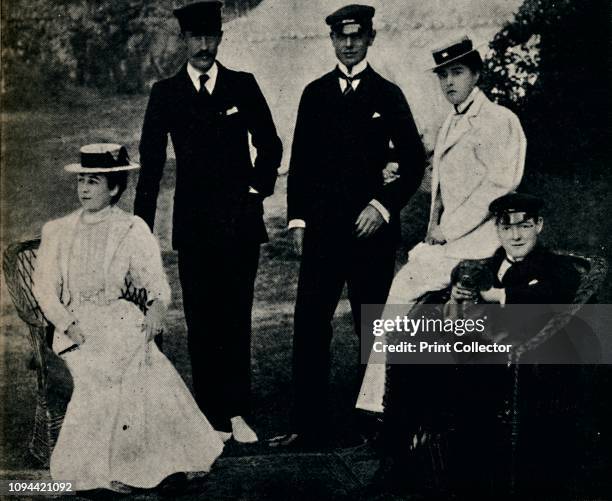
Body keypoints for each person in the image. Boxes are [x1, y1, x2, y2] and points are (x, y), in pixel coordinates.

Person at [270, 4, 426, 448]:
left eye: (358, 36)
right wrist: (297, 219)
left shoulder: (388, 93)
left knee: (371, 323)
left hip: (370, 235)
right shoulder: (314, 93)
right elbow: (299, 164)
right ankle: (307, 426)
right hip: (321, 231)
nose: (350, 43)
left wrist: (382, 205)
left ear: (371, 38)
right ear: (333, 40)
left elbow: (414, 160)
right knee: (310, 323)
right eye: (342, 37)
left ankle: (371, 424)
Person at [33, 144, 224, 493]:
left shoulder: (132, 228)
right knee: (105, 373)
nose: (84, 190)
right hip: (76, 325)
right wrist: (70, 326)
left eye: (94, 182)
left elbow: (157, 284)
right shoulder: (57, 230)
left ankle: (159, 466)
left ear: (115, 188)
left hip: (119, 318)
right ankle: (94, 475)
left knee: (146, 363)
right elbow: (44, 290)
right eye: (82, 182)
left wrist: (156, 310)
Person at [134, 1, 283, 443]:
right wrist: (138, 231)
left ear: (220, 37)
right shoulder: (166, 94)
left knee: (235, 318)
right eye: (195, 37)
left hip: (240, 224)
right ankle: (211, 418)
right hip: (195, 227)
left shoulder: (242, 85)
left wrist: (256, 190)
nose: (203, 46)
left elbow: (271, 145)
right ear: (184, 40)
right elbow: (152, 165)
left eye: (210, 36)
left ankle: (238, 413)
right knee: (201, 322)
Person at [356, 35, 527, 413]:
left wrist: (447, 232)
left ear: (476, 74)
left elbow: (499, 187)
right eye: (443, 75)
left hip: (481, 242)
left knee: (403, 288)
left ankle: (380, 399)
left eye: (458, 72)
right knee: (407, 290)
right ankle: (390, 396)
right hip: (451, 242)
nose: (449, 82)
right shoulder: (450, 121)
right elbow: (439, 194)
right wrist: (432, 230)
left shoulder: (500, 120)